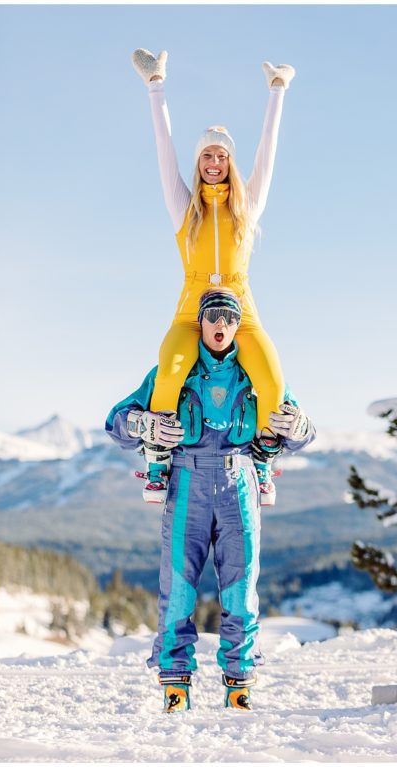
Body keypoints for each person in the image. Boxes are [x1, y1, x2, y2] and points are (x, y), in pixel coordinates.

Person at [105, 289, 315, 712]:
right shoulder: (172, 372)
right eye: (213, 316)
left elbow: (304, 434)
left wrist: (298, 425)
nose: (221, 324)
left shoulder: (256, 375)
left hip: (241, 484)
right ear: (199, 322)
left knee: (241, 590)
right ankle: (175, 683)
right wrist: (144, 423)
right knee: (178, 589)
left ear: (239, 325)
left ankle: (239, 682)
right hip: (187, 482)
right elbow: (115, 422)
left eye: (229, 317)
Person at [129, 49, 296, 505]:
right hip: (190, 312)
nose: (215, 162)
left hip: (242, 310)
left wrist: (277, 91)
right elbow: (163, 148)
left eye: (221, 156)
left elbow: (269, 153)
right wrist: (156, 85)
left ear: (230, 162)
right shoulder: (185, 210)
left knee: (272, 380)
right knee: (171, 369)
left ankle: (261, 461)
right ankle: (158, 462)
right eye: (207, 155)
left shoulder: (246, 209)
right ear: (199, 161)